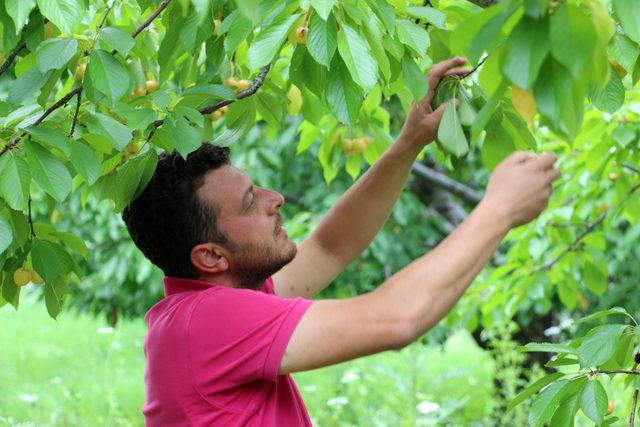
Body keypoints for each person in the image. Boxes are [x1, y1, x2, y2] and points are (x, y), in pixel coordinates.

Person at [122, 57, 560, 426]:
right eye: (250, 202)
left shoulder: (209, 301)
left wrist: (408, 144)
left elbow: (329, 248)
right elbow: (395, 321)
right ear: (212, 256)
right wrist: (498, 210)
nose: (275, 200)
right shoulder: (208, 323)